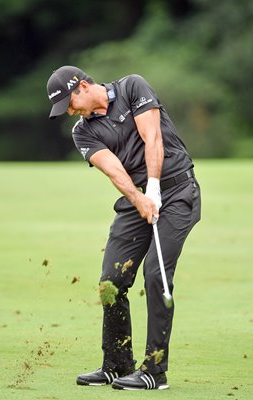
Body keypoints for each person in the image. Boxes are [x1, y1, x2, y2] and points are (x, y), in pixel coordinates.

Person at [46, 65, 201, 391]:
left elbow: (152, 136)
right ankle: (116, 364)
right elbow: (114, 169)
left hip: (176, 191)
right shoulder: (82, 131)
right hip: (136, 200)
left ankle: (154, 372)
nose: (70, 112)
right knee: (111, 281)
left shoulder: (133, 88)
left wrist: (154, 188)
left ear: (83, 86)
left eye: (70, 103)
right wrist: (139, 198)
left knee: (156, 275)